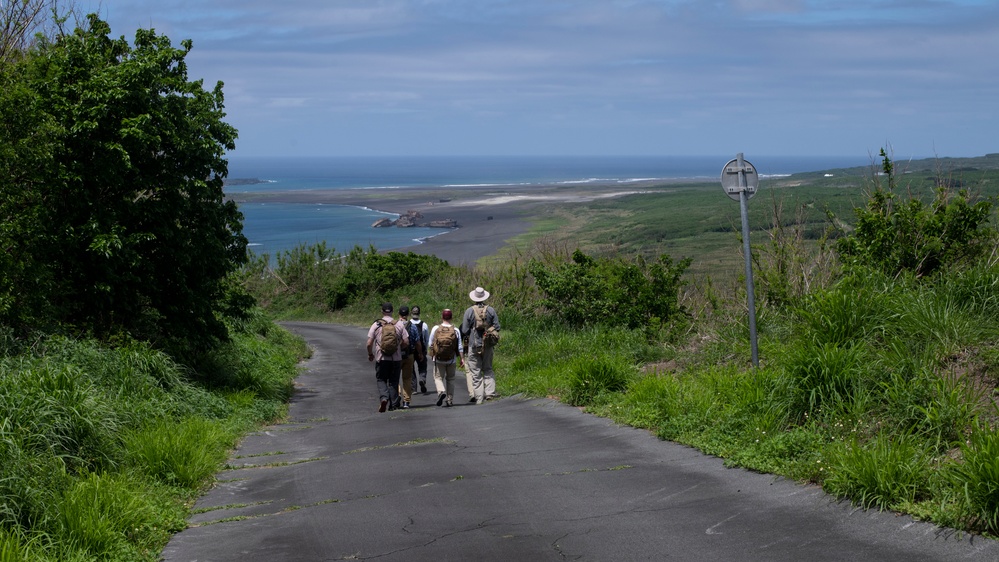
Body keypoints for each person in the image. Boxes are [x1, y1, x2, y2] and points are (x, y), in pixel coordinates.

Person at [460, 286, 500, 404]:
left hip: (474, 344)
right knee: (488, 368)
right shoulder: (491, 310)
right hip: (488, 344)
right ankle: (489, 393)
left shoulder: (469, 311)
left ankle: (479, 397)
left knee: (475, 371)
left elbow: (465, 330)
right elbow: (497, 326)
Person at [366, 302, 408, 413]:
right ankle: (393, 404)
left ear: (382, 311)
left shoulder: (377, 324)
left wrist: (370, 354)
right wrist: (398, 348)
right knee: (394, 381)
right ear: (393, 311)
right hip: (396, 359)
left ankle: (384, 398)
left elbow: (369, 343)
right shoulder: (399, 324)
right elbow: (406, 342)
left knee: (381, 379)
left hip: (381, 358)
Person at [428, 309, 463, 408]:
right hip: (451, 359)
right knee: (451, 379)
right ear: (451, 318)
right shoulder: (455, 330)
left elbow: (430, 343)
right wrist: (462, 358)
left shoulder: (436, 329)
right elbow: (459, 346)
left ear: (442, 317)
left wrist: (433, 352)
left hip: (438, 359)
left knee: (438, 378)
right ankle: (450, 400)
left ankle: (441, 391)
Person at [397, 305, 423, 409]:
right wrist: (420, 353)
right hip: (409, 355)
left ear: (399, 314)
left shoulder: (395, 325)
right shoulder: (412, 326)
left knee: (395, 378)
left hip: (397, 356)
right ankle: (406, 401)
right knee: (407, 378)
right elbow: (418, 343)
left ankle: (397, 395)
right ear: (408, 315)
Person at [410, 305, 431, 394]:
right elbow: (426, 339)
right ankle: (422, 379)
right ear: (419, 314)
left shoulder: (408, 324)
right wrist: (425, 349)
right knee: (422, 366)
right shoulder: (424, 324)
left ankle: (414, 388)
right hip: (421, 349)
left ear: (411, 313)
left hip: (411, 350)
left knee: (411, 369)